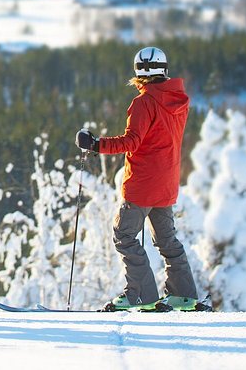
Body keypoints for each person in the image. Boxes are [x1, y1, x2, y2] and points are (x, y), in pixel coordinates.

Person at [75, 46, 200, 312]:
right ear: (164, 70)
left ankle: (141, 295)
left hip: (143, 184)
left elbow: (131, 142)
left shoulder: (144, 103)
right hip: (166, 183)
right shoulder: (178, 101)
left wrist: (95, 144)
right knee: (167, 240)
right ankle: (183, 296)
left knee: (124, 235)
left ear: (138, 72)